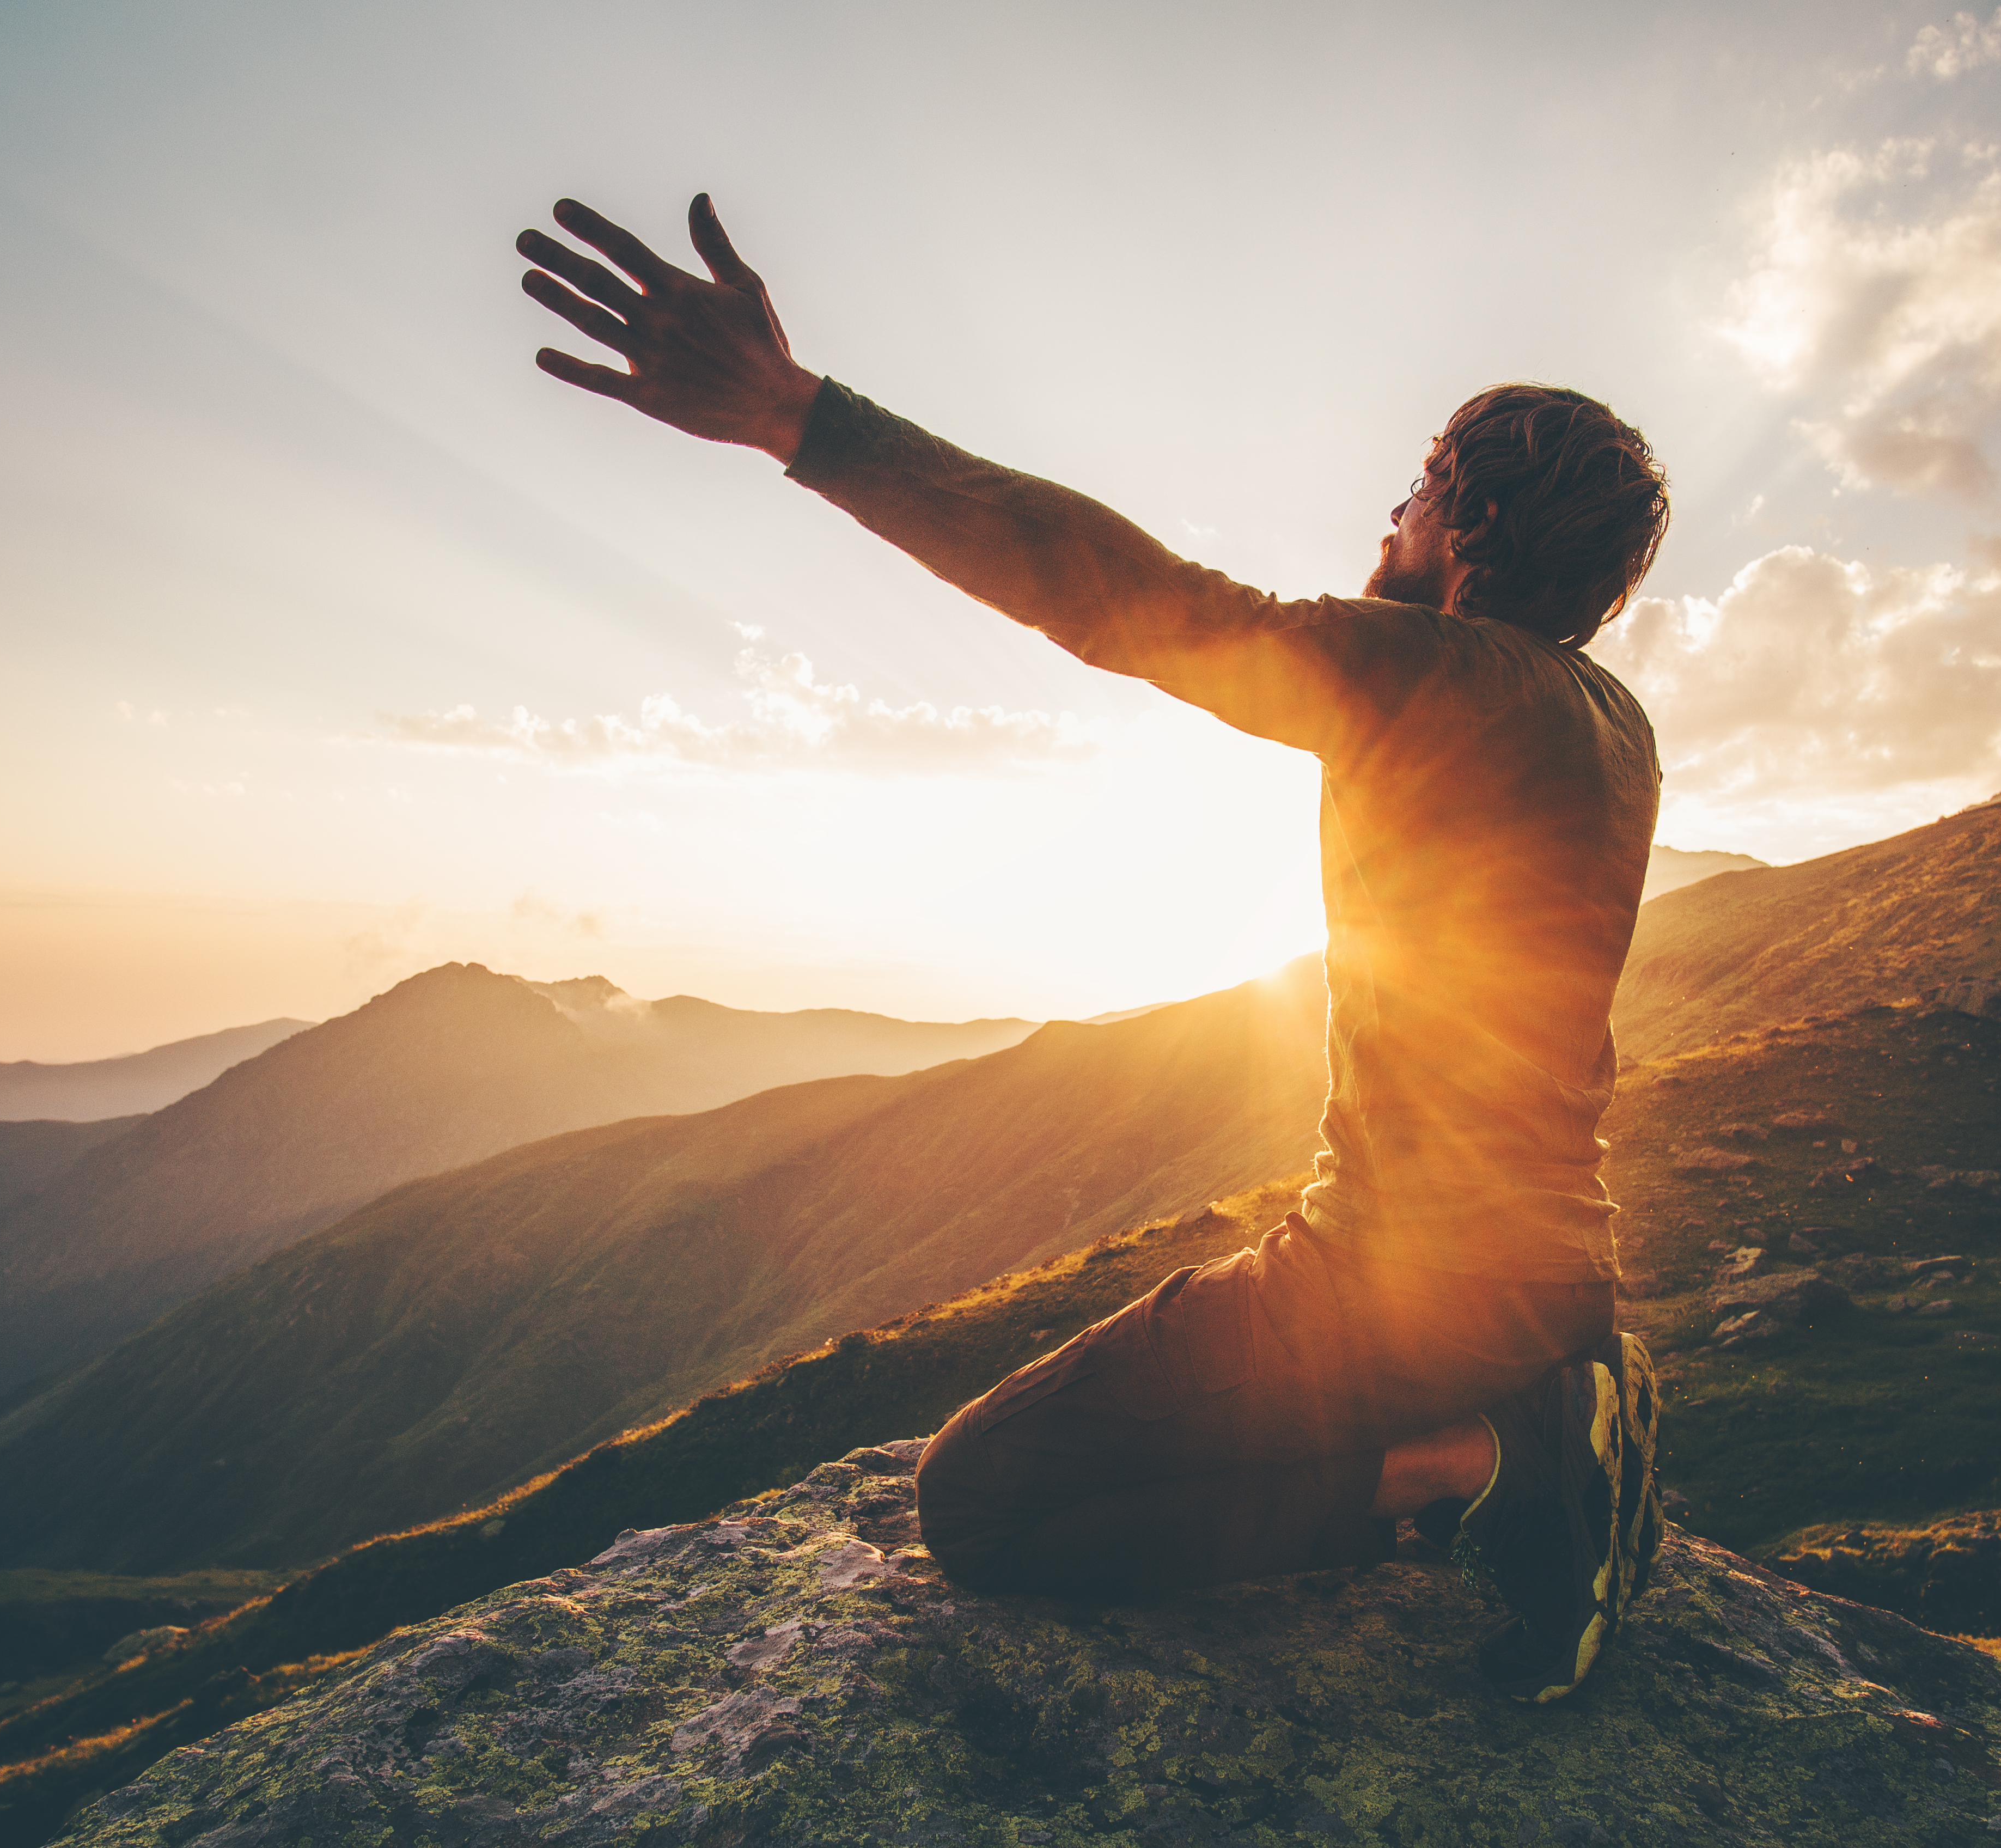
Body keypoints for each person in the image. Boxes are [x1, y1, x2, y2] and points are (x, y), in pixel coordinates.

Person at [515, 194, 1668, 1702]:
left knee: (981, 1501)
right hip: (1546, 1271)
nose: (1378, 524)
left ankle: (1480, 1468)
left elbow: (1131, 604)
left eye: (1409, 492)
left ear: (1470, 522)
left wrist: (801, 418)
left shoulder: (1433, 676)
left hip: (1397, 1281)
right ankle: (1531, 1422)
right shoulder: (1610, 725)